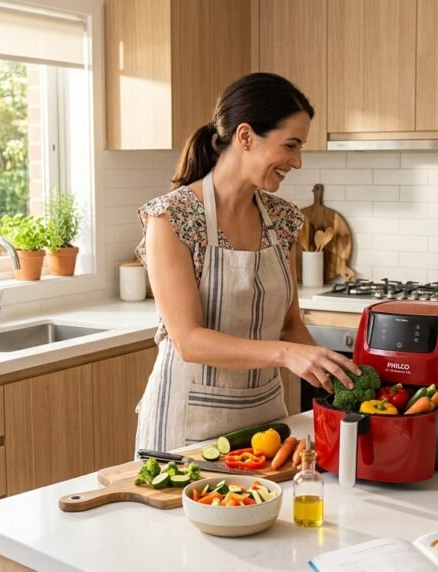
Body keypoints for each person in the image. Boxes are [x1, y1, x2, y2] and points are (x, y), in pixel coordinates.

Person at [134, 72, 358, 452]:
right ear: (245, 137)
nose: (298, 161)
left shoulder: (283, 219)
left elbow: (289, 326)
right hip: (187, 426)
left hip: (266, 423)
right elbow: (189, 341)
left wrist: (337, 379)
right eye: (290, 145)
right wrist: (287, 355)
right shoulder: (173, 218)